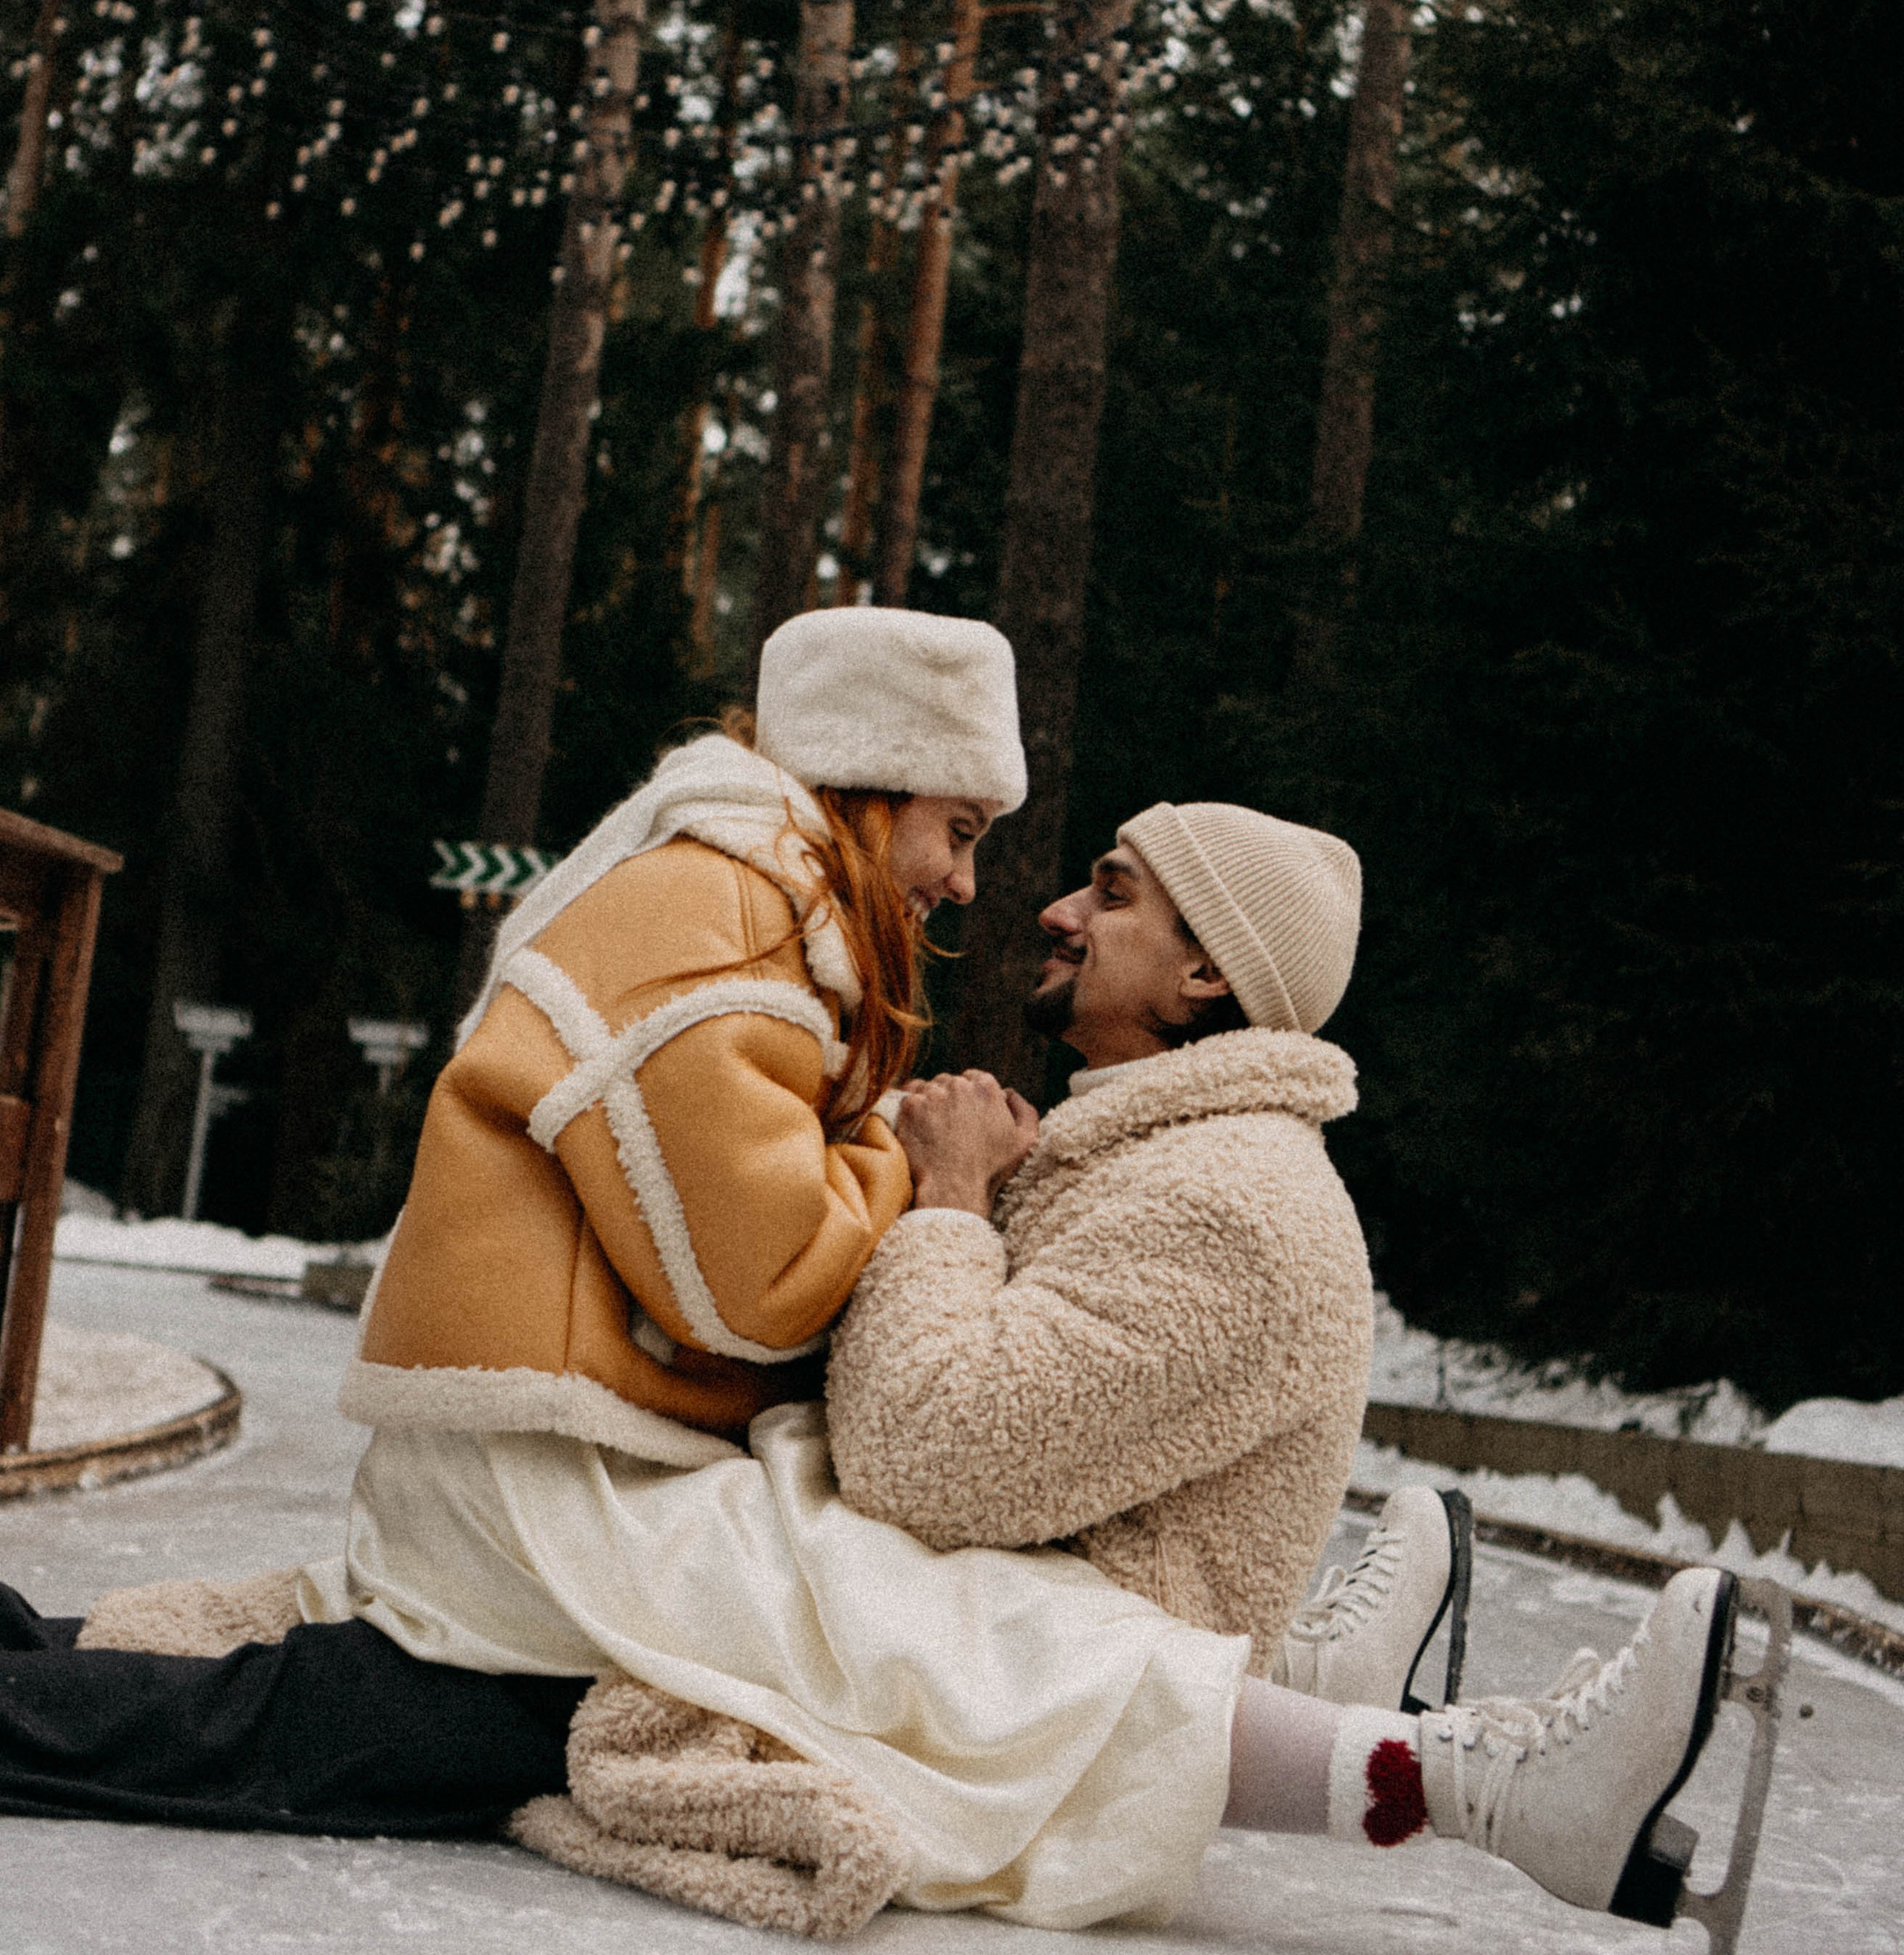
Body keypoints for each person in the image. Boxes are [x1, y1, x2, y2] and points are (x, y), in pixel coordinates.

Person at [0, 732, 1779, 1944]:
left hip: (928, 1648)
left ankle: (1458, 1775)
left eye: (1106, 891)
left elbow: (930, 1454)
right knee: (337, 1673)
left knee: (334, 1698)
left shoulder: (1233, 1202)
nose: (1053, 910)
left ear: (1209, 980)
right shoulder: (1145, 1155)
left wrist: (935, 1198)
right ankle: (1392, 1729)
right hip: (860, 1625)